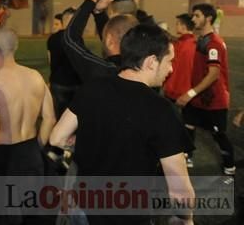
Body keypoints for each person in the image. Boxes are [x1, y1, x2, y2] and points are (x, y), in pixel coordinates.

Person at [51, 24, 195, 225]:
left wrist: (86, 144)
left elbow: (56, 138)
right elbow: (179, 190)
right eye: (170, 61)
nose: (171, 69)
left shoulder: (93, 88)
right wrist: (186, 219)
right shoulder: (161, 110)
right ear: (152, 62)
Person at [0, 28, 55, 225]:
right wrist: (36, 148)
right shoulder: (36, 76)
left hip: (4, 159)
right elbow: (50, 118)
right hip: (31, 155)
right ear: (16, 47)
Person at [176, 3, 235, 175]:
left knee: (218, 135)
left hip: (213, 100)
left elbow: (213, 74)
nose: (193, 19)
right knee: (188, 125)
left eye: (197, 16)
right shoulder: (202, 39)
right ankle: (187, 158)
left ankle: (229, 167)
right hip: (198, 97)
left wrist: (190, 93)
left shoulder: (214, 43)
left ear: (208, 18)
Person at [47, 7, 81, 121]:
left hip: (58, 83)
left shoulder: (52, 38)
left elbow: (50, 60)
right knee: (73, 118)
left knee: (58, 116)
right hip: (75, 83)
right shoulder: (76, 38)